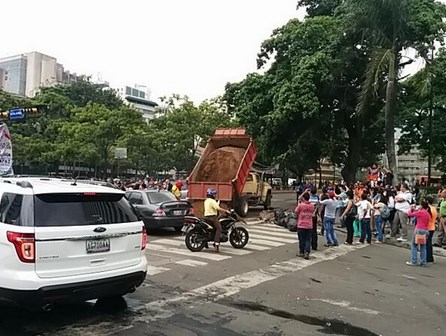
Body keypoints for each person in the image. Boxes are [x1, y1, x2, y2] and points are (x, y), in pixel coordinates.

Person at [204, 188, 231, 252]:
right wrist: (226, 211)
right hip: (212, 217)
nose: (215, 195)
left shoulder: (206, 200)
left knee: (213, 229)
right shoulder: (212, 201)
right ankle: (216, 244)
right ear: (212, 195)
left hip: (206, 217)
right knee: (219, 228)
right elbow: (218, 208)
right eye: (214, 194)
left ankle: (206, 243)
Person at [406, 201, 431, 267]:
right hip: (425, 230)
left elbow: (410, 214)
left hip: (419, 229)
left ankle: (414, 261)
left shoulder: (420, 212)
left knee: (414, 245)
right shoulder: (427, 214)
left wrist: (410, 209)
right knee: (423, 246)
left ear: (422, 206)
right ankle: (423, 262)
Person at [295, 191, 315, 259]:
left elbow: (296, 211)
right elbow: (312, 213)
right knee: (308, 239)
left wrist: (299, 203)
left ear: (303, 198)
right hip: (309, 225)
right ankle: (307, 252)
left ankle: (301, 252)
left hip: (301, 224)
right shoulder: (312, 206)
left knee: (301, 239)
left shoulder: (301, 205)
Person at [425, 195, 438, 263]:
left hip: (428, 227)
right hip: (432, 227)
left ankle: (427, 257)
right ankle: (430, 257)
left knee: (426, 243)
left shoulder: (428, 209)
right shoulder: (434, 208)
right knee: (429, 243)